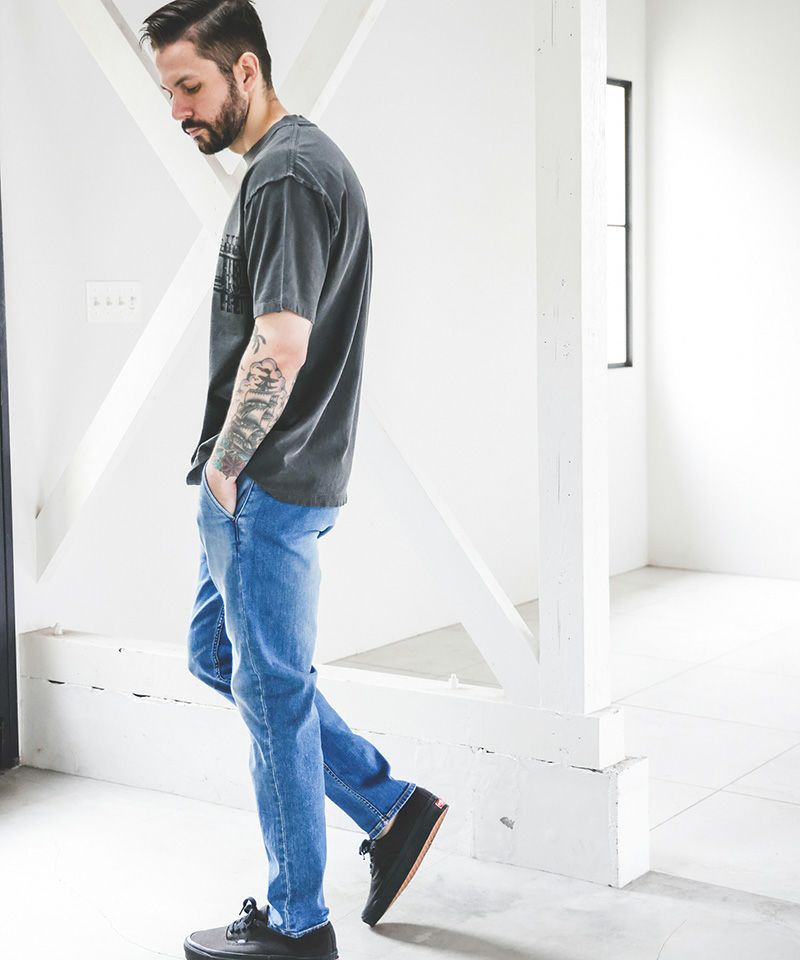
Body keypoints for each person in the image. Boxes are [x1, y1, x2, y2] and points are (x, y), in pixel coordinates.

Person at [139, 2, 449, 957]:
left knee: (272, 693)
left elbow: (280, 344)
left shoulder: (285, 175)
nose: (178, 109)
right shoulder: (293, 165)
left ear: (245, 71)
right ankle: (390, 808)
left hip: (264, 485)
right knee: (220, 658)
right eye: (168, 92)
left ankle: (297, 924)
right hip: (272, 483)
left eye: (190, 86)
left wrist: (226, 469)